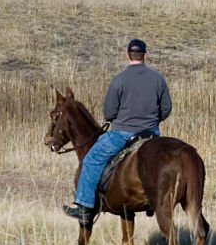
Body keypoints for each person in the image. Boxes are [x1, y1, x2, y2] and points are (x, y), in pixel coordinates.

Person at [63, 38, 172, 225]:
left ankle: (84, 207)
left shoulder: (119, 80)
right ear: (145, 55)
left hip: (122, 134)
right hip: (151, 135)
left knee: (91, 159)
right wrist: (151, 120)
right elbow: (167, 108)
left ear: (128, 55)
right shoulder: (158, 79)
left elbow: (109, 112)